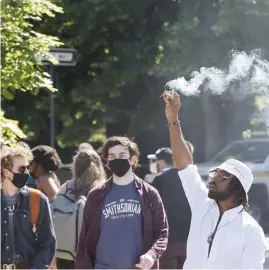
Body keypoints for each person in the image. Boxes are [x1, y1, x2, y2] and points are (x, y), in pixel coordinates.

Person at [163, 91, 266, 268]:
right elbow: (186, 166)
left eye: (221, 177)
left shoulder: (251, 231)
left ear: (237, 187)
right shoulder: (202, 203)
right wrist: (173, 119)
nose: (213, 179)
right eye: (214, 174)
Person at [75, 136, 168, 269]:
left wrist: (151, 255)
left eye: (122, 155)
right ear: (107, 162)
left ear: (133, 159)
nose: (117, 159)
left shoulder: (149, 194)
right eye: (112, 156)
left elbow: (162, 232)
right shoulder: (95, 196)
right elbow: (84, 241)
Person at [1, 145, 56, 269]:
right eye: (21, 169)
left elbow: (48, 243)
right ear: (6, 172)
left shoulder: (37, 199)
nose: (26, 172)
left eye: (27, 167)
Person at [53, 149, 107, 269]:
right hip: (93, 255)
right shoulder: (103, 189)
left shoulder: (66, 187)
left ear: (75, 168)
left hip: (65, 253)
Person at [152, 144, 193, 269]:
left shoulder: (160, 178)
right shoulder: (195, 180)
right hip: (190, 239)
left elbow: (154, 209)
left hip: (167, 239)